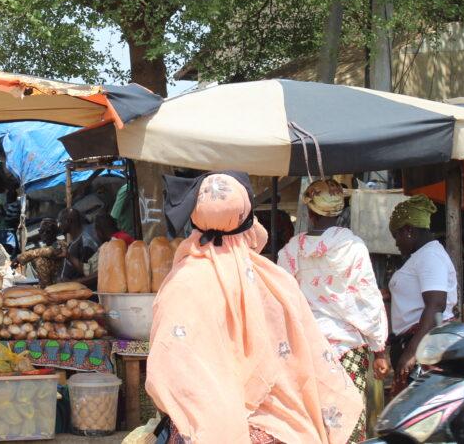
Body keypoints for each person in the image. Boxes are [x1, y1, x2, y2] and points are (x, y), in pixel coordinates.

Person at [146, 173, 362, 444]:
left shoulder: (182, 283)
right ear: (246, 219)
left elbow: (168, 368)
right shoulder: (274, 280)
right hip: (284, 431)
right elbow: (306, 360)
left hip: (208, 432)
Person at [279, 179, 389, 443]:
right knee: (349, 419)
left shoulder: (292, 250)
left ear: (309, 211)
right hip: (348, 350)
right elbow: (368, 300)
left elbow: (281, 298)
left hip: (307, 349)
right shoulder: (353, 247)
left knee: (311, 422)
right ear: (340, 211)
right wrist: (379, 350)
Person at [387, 195, 458, 388]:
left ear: (409, 230)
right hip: (417, 345)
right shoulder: (421, 256)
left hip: (423, 349)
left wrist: (411, 353)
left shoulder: (430, 256)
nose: (396, 243)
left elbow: (436, 305)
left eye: (397, 236)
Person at [57, 208, 100, 286]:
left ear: (68, 221)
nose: (59, 226)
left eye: (60, 222)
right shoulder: (74, 241)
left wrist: (72, 283)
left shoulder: (86, 243)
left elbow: (92, 273)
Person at [18, 218, 66, 287]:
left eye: (48, 232)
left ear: (55, 232)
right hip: (52, 281)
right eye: (41, 231)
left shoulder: (60, 244)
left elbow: (49, 251)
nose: (44, 234)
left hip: (61, 281)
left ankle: (46, 288)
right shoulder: (46, 247)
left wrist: (20, 258)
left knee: (40, 259)